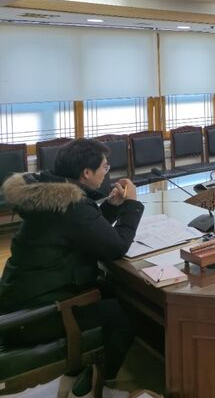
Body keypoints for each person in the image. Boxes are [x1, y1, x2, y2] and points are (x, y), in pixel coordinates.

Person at [0, 138, 144, 396]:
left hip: (20, 298)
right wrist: (131, 205)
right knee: (126, 313)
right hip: (37, 316)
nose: (106, 171)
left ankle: (87, 376)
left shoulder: (51, 193)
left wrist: (110, 207)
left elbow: (80, 229)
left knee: (113, 289)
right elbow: (116, 247)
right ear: (86, 173)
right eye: (104, 166)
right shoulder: (72, 205)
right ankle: (98, 386)